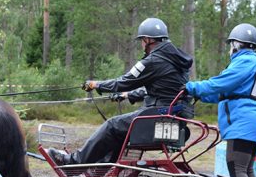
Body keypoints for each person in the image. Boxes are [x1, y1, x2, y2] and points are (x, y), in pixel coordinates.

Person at [47, 17, 194, 165]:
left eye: (142, 40)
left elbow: (123, 82)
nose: (142, 45)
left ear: (148, 39)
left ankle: (73, 161)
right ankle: (103, 168)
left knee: (112, 125)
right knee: (118, 131)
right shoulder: (175, 61)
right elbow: (162, 89)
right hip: (171, 115)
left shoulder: (153, 61)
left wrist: (96, 85)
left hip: (158, 115)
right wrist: (127, 95)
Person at [184, 23, 256, 177]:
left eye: (232, 44)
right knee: (246, 169)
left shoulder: (245, 61)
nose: (231, 48)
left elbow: (221, 83)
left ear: (237, 44)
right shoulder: (252, 61)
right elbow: (224, 93)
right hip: (249, 121)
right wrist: (199, 94)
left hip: (243, 122)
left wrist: (191, 87)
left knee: (237, 166)